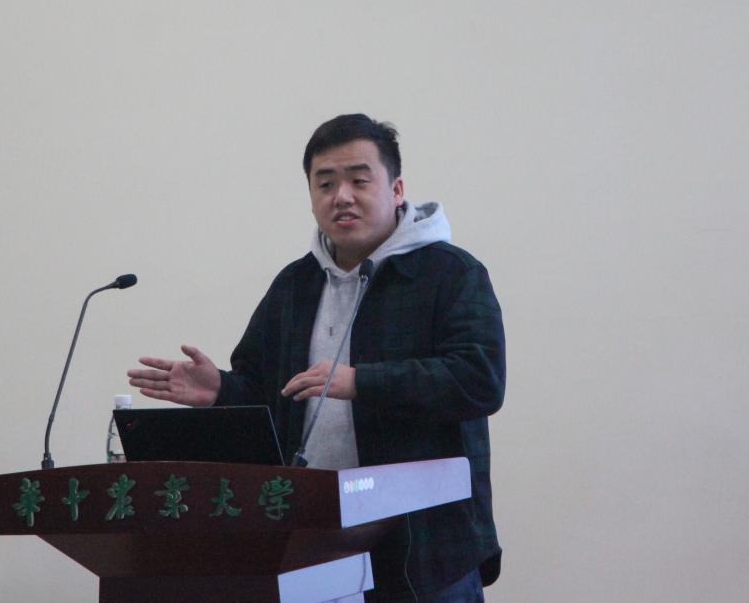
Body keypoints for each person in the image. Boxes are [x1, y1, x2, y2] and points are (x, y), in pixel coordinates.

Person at [127, 114, 505, 602]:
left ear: (396, 189)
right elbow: (268, 394)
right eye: (325, 184)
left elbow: (480, 379)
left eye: (358, 180)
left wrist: (360, 382)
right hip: (314, 542)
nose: (341, 196)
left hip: (425, 547)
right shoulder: (294, 286)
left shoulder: (451, 274)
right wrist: (221, 389)